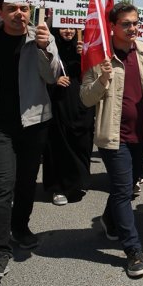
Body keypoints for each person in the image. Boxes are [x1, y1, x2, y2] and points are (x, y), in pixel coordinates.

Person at [0, 0, 60, 283]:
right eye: (12, 9)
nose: (19, 13)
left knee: (26, 182)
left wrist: (44, 48)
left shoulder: (42, 36)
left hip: (33, 124)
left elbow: (54, 76)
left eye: (24, 8)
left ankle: (21, 227)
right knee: (0, 188)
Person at [80, 3, 143, 278]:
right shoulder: (98, 56)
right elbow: (86, 98)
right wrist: (102, 79)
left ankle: (108, 219)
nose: (133, 28)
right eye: (126, 24)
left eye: (135, 23)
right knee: (125, 191)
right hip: (113, 138)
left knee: (126, 184)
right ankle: (133, 251)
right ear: (112, 26)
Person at [43, 28, 95, 205]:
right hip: (58, 103)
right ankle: (58, 187)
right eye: (64, 27)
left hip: (82, 104)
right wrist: (53, 81)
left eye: (72, 28)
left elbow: (95, 73)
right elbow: (38, 73)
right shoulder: (48, 48)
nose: (69, 31)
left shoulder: (83, 46)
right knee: (59, 145)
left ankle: (78, 182)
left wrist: (85, 56)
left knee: (82, 142)